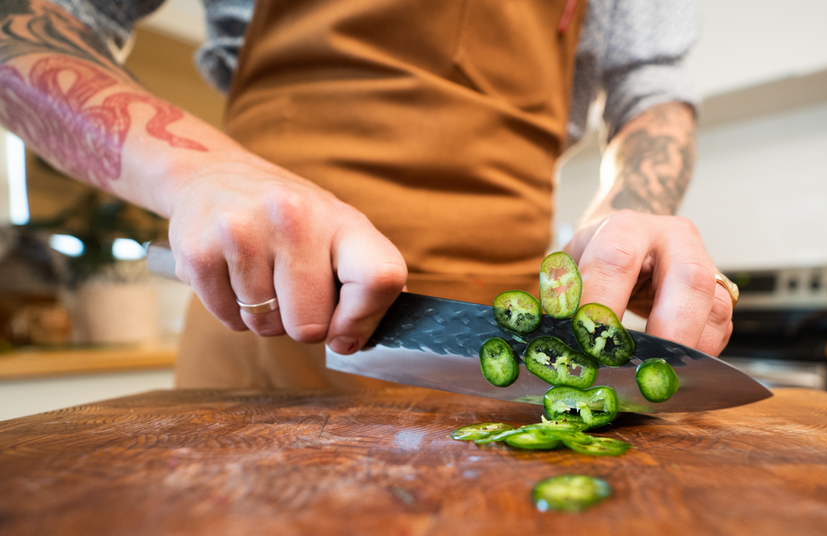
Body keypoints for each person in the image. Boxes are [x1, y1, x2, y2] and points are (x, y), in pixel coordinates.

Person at [0, 0, 736, 390]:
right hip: (268, 314)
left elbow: (651, 89)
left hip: (500, 336)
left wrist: (625, 218)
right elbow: (19, 25)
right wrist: (201, 173)